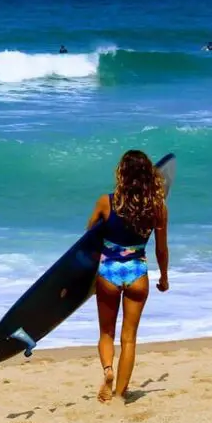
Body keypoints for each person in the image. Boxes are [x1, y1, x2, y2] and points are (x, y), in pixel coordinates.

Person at [85, 150, 169, 403]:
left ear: (121, 173)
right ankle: (120, 395)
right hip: (137, 274)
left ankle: (108, 371)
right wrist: (164, 277)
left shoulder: (105, 202)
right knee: (129, 337)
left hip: (108, 272)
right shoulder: (157, 207)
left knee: (106, 333)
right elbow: (161, 248)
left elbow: (88, 237)